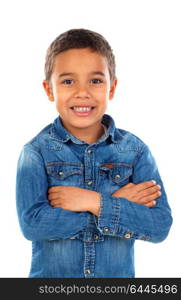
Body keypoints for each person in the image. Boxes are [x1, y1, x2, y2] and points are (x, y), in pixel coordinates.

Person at [16, 28, 172, 278]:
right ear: (49, 90)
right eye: (68, 81)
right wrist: (115, 207)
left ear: (112, 88)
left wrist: (93, 202)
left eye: (96, 80)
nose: (82, 92)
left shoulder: (135, 152)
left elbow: (159, 225)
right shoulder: (36, 153)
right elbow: (34, 225)